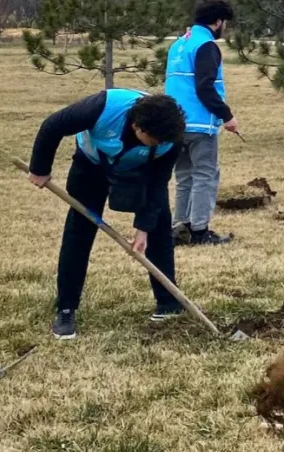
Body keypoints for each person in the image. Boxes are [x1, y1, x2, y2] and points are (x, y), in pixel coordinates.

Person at [27, 90, 186, 339]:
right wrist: (39, 168)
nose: (159, 143)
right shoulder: (101, 107)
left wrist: (143, 226)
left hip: (141, 171)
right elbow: (52, 126)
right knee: (78, 233)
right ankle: (66, 309)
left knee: (159, 226)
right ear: (137, 126)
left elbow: (157, 185)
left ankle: (168, 304)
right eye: (154, 139)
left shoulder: (171, 138)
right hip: (91, 167)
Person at [166, 0, 238, 246]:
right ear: (218, 22)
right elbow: (204, 86)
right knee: (205, 175)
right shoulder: (206, 46)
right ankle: (200, 231)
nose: (224, 28)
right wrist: (226, 116)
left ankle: (180, 227)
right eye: (224, 23)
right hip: (199, 124)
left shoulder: (178, 45)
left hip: (175, 122)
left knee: (184, 176)